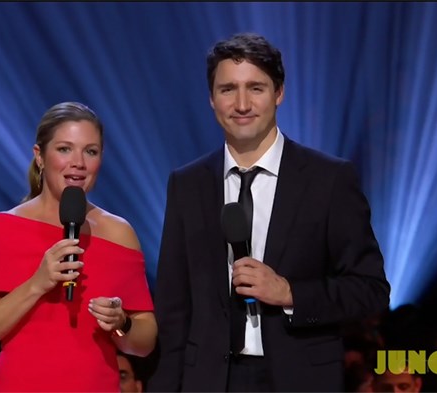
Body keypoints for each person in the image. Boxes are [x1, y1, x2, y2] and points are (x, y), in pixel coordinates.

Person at [150, 32, 390, 392]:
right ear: (212, 99)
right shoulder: (187, 184)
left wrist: (289, 292)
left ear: (279, 93)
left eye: (256, 88)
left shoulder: (329, 179)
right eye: (228, 89)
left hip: (299, 378)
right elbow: (174, 308)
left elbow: (370, 290)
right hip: (209, 381)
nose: (242, 104)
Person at [0, 101, 156, 392]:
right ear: (39, 156)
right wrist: (37, 284)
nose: (79, 162)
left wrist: (122, 322)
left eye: (91, 151)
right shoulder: (0, 230)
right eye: (65, 149)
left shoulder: (119, 234)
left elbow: (145, 341)